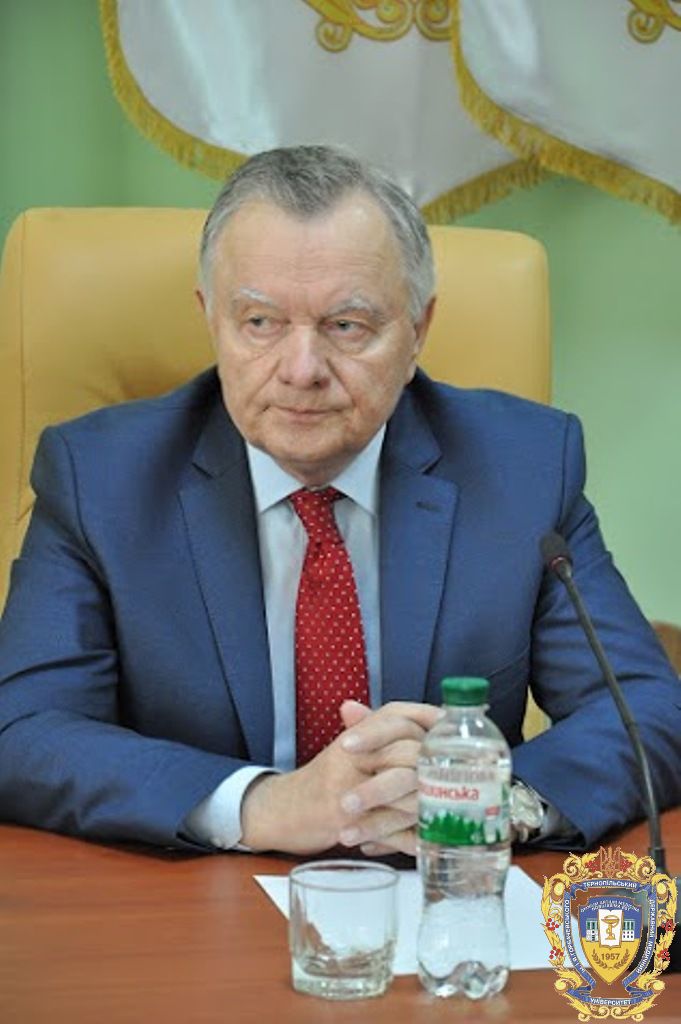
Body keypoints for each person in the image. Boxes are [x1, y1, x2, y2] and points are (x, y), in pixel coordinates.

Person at [0, 146, 679, 858]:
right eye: (259, 323)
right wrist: (262, 804)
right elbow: (21, 731)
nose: (302, 371)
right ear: (211, 319)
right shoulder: (100, 477)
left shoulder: (522, 467)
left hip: (439, 888)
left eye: (346, 326)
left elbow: (650, 711)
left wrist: (490, 801)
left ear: (417, 331)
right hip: (192, 897)